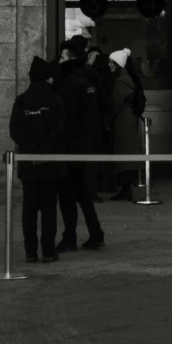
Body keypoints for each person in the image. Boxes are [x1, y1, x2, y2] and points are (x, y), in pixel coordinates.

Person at [9, 57, 68, 264]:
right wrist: (44, 149)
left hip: (28, 163)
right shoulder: (54, 99)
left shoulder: (22, 100)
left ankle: (30, 252)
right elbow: (59, 129)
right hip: (50, 163)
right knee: (49, 208)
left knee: (29, 208)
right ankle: (48, 251)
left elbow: (14, 130)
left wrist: (31, 149)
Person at [51, 38, 107, 250]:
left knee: (66, 193)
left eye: (63, 56)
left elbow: (65, 118)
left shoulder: (68, 84)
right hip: (86, 144)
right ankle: (95, 232)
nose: (60, 60)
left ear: (71, 59)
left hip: (70, 146)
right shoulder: (91, 80)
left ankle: (70, 236)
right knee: (82, 192)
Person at [105, 47, 145, 200]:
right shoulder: (127, 80)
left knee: (124, 153)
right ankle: (126, 186)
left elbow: (115, 103)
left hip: (123, 122)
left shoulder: (120, 83)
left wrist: (107, 121)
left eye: (111, 63)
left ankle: (125, 187)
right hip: (127, 121)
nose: (109, 65)